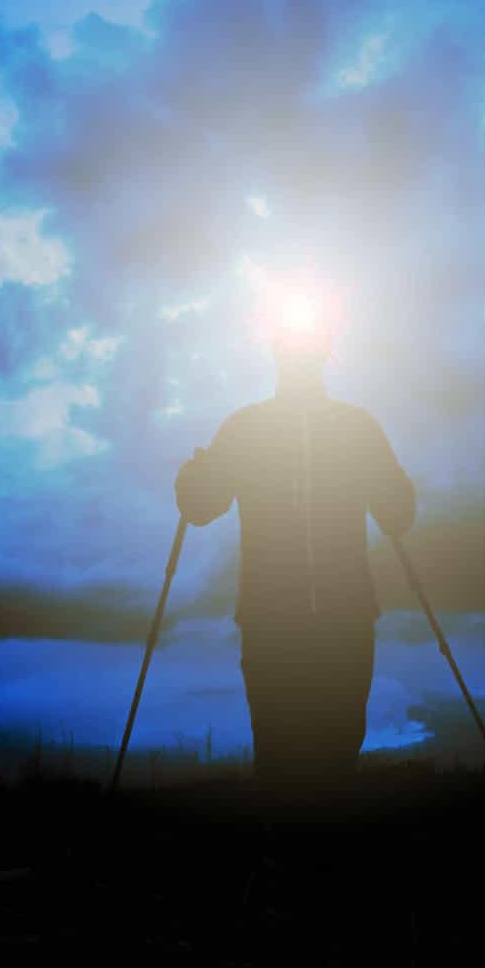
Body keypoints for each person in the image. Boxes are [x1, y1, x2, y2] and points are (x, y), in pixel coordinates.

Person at [174, 326, 416, 789]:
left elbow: (397, 514)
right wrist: (193, 484)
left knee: (305, 757)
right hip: (309, 622)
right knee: (303, 757)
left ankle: (290, 832)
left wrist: (192, 480)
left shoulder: (250, 427)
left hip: (304, 621)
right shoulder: (352, 426)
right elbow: (201, 506)